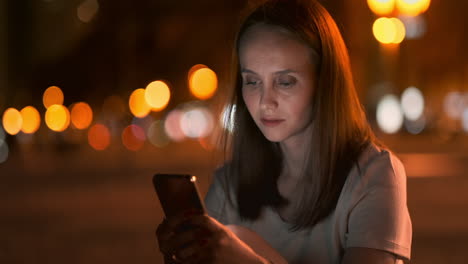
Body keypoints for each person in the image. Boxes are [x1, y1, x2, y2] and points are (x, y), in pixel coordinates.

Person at [156, 0, 412, 263]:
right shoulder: (230, 186)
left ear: (324, 81)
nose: (265, 101)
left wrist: (246, 258)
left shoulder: (373, 176)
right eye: (252, 81)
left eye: (285, 81)